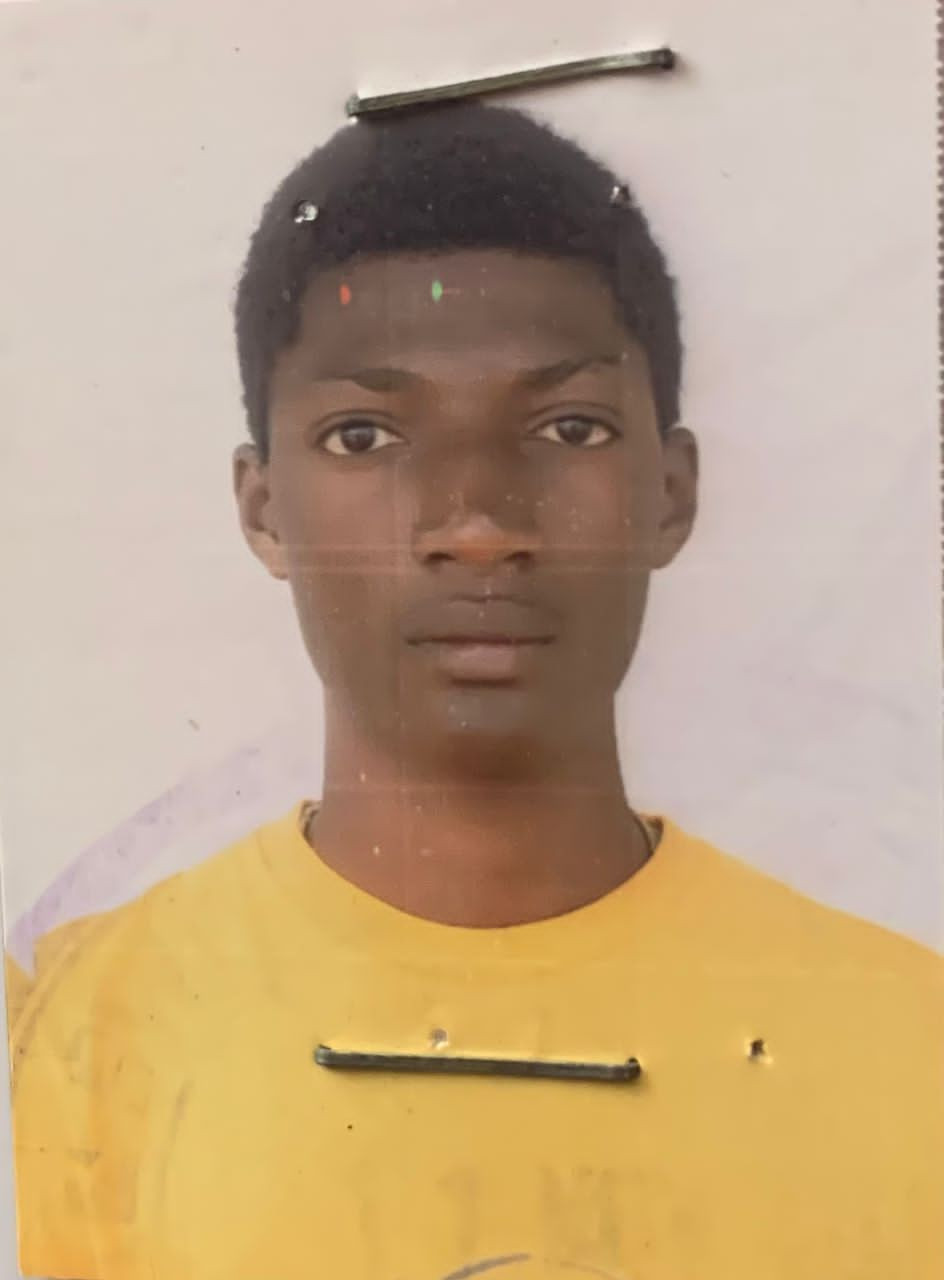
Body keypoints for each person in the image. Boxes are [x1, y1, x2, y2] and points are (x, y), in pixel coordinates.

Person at [6, 103, 942, 1280]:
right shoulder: (72, 1030)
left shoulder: (909, 1039)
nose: (478, 523)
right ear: (262, 507)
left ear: (669, 491)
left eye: (567, 426)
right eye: (363, 436)